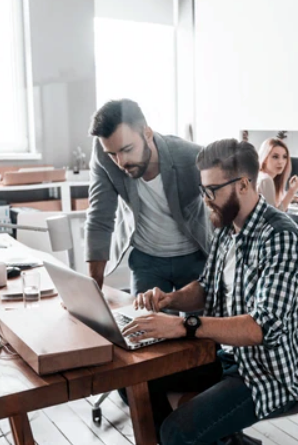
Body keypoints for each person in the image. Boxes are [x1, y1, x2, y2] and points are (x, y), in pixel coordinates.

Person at [120, 138, 298, 445]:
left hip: (267, 374)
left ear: (243, 184)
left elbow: (259, 328)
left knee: (180, 435)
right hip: (223, 356)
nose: (204, 199)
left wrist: (183, 324)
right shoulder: (227, 227)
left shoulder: (281, 237)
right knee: (133, 384)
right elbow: (207, 288)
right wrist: (170, 299)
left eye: (212, 190)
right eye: (202, 189)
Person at [85, 99, 210, 297]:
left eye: (127, 149)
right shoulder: (102, 154)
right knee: (144, 325)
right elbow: (100, 217)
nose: (121, 162)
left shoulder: (193, 157)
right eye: (113, 154)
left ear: (147, 134)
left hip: (194, 257)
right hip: (147, 260)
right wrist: (92, 291)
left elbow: (226, 211)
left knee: (197, 325)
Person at [256, 137, 298, 211]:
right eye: (275, 157)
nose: (281, 161)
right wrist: (291, 192)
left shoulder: (260, 176)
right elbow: (274, 217)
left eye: (284, 157)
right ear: (265, 158)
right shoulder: (266, 180)